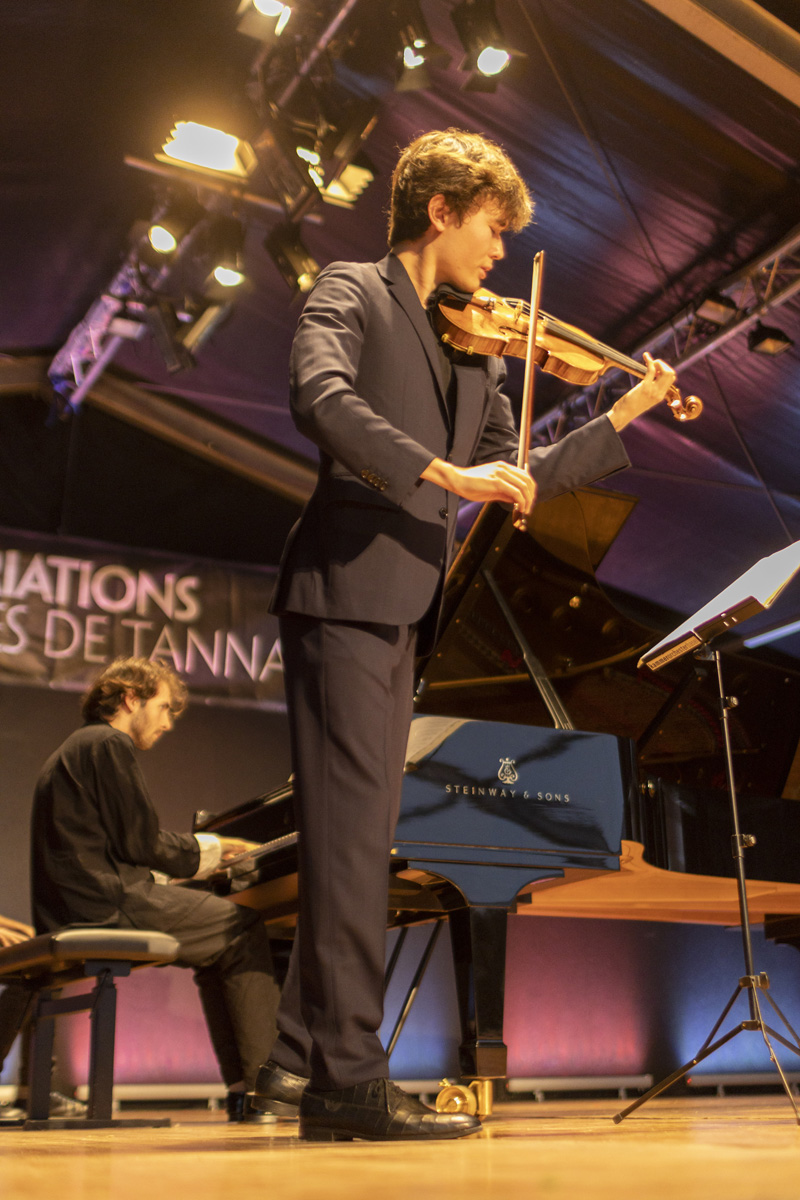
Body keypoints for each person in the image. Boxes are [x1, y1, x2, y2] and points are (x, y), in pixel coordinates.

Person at [251, 128, 678, 1141]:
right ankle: (348, 1082)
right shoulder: (350, 292)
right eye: (492, 227)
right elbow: (320, 399)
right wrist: (441, 473)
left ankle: (295, 1065)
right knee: (353, 843)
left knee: (358, 842)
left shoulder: (473, 358)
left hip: (403, 610)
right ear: (439, 210)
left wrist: (623, 415)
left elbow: (516, 481)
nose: (499, 253)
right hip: (344, 593)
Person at [30, 656, 281, 1123]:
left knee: (217, 944)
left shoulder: (76, 747)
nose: (168, 723)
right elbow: (140, 842)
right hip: (107, 905)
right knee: (241, 929)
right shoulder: (109, 743)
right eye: (164, 708)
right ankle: (264, 1089)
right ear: (131, 698)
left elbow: (110, 847)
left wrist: (182, 869)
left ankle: (243, 1089)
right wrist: (212, 849)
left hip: (77, 903)